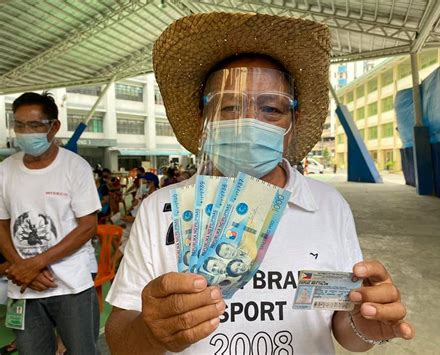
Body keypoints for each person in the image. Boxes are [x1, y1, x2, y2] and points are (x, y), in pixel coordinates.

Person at [105, 13, 414, 354]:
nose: (249, 122)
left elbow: (343, 324)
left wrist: (366, 323)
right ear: (202, 121)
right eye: (229, 107)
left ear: (291, 125)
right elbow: (120, 338)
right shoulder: (160, 209)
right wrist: (152, 332)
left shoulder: (328, 205)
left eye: (271, 109)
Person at [0, 92, 101, 354]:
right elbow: (1, 226)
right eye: (19, 125)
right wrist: (22, 268)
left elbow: (87, 225)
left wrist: (34, 264)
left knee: (82, 350)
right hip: (23, 289)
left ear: (54, 126)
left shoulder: (74, 167)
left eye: (34, 125)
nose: (25, 132)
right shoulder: (5, 170)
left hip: (70, 285)